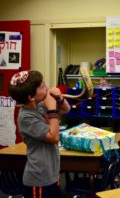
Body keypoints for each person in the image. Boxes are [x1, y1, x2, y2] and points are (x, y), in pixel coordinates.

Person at [8, 70, 71, 198]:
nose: (47, 88)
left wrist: (59, 98)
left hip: (51, 175)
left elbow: (66, 109)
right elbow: (54, 137)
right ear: (31, 97)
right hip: (39, 179)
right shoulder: (26, 117)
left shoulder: (40, 105)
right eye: (42, 87)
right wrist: (52, 109)